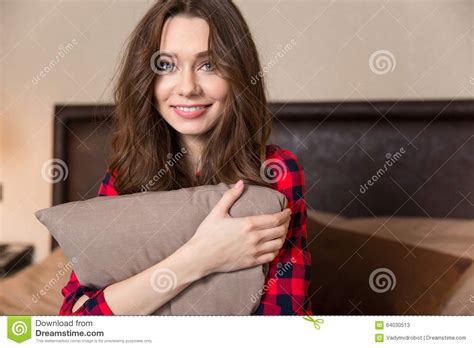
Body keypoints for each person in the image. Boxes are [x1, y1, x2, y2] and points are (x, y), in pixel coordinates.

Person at [60, 0, 312, 316]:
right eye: (166, 66)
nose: (188, 87)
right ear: (146, 80)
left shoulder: (276, 171)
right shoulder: (123, 176)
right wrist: (201, 257)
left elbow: (284, 324)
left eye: (209, 65)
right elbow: (75, 322)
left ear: (238, 75)